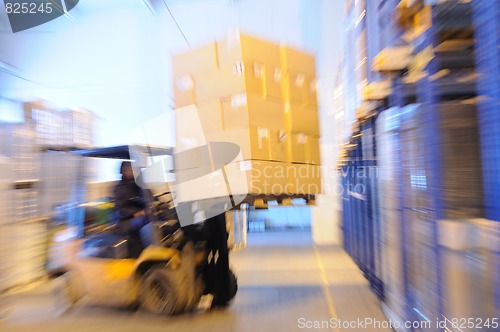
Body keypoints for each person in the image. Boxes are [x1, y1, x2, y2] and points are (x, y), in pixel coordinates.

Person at [113, 161, 152, 257]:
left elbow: (149, 197)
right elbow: (121, 209)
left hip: (142, 215)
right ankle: (140, 253)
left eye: (131, 170)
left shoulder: (138, 185)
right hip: (126, 220)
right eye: (127, 170)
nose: (130, 172)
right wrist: (137, 213)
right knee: (143, 221)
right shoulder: (120, 189)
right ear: (122, 171)